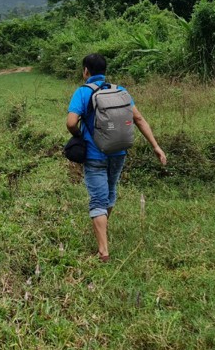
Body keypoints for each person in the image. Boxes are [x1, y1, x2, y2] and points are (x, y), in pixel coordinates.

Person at [66, 53, 166, 262]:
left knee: (97, 200)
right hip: (119, 152)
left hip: (94, 154)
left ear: (86, 71)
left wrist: (78, 136)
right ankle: (103, 225)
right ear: (105, 71)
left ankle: (103, 252)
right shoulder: (121, 91)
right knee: (110, 191)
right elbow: (138, 118)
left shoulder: (83, 92)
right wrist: (156, 146)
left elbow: (71, 122)